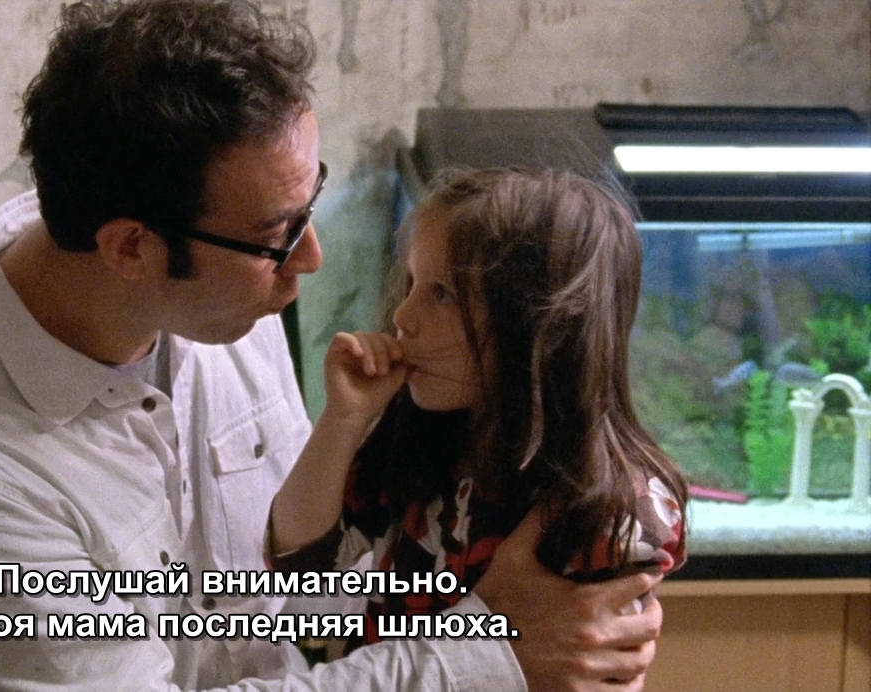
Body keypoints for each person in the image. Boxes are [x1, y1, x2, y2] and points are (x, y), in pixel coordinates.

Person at [0, 1, 667, 689]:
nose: (312, 259)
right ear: (131, 248)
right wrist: (489, 649)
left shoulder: (218, 306)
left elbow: (290, 604)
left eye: (309, 207)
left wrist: (542, 622)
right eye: (277, 234)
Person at [270, 167, 689, 679]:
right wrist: (343, 418)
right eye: (412, 283)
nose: (402, 316)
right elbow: (296, 575)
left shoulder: (610, 509)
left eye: (442, 293)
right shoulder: (422, 449)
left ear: (536, 325)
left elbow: (590, 673)